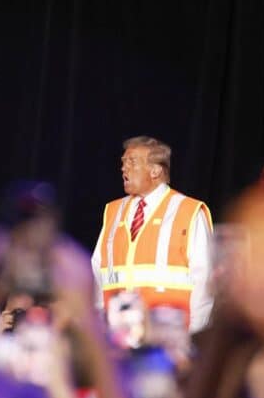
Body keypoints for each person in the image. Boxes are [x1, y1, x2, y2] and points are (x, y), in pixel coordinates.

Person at [91, 136, 214, 333]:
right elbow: (99, 274)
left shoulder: (187, 212)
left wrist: (193, 336)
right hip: (118, 337)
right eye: (123, 163)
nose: (124, 168)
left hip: (167, 338)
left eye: (132, 162)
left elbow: (205, 280)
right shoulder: (113, 212)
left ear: (155, 170)